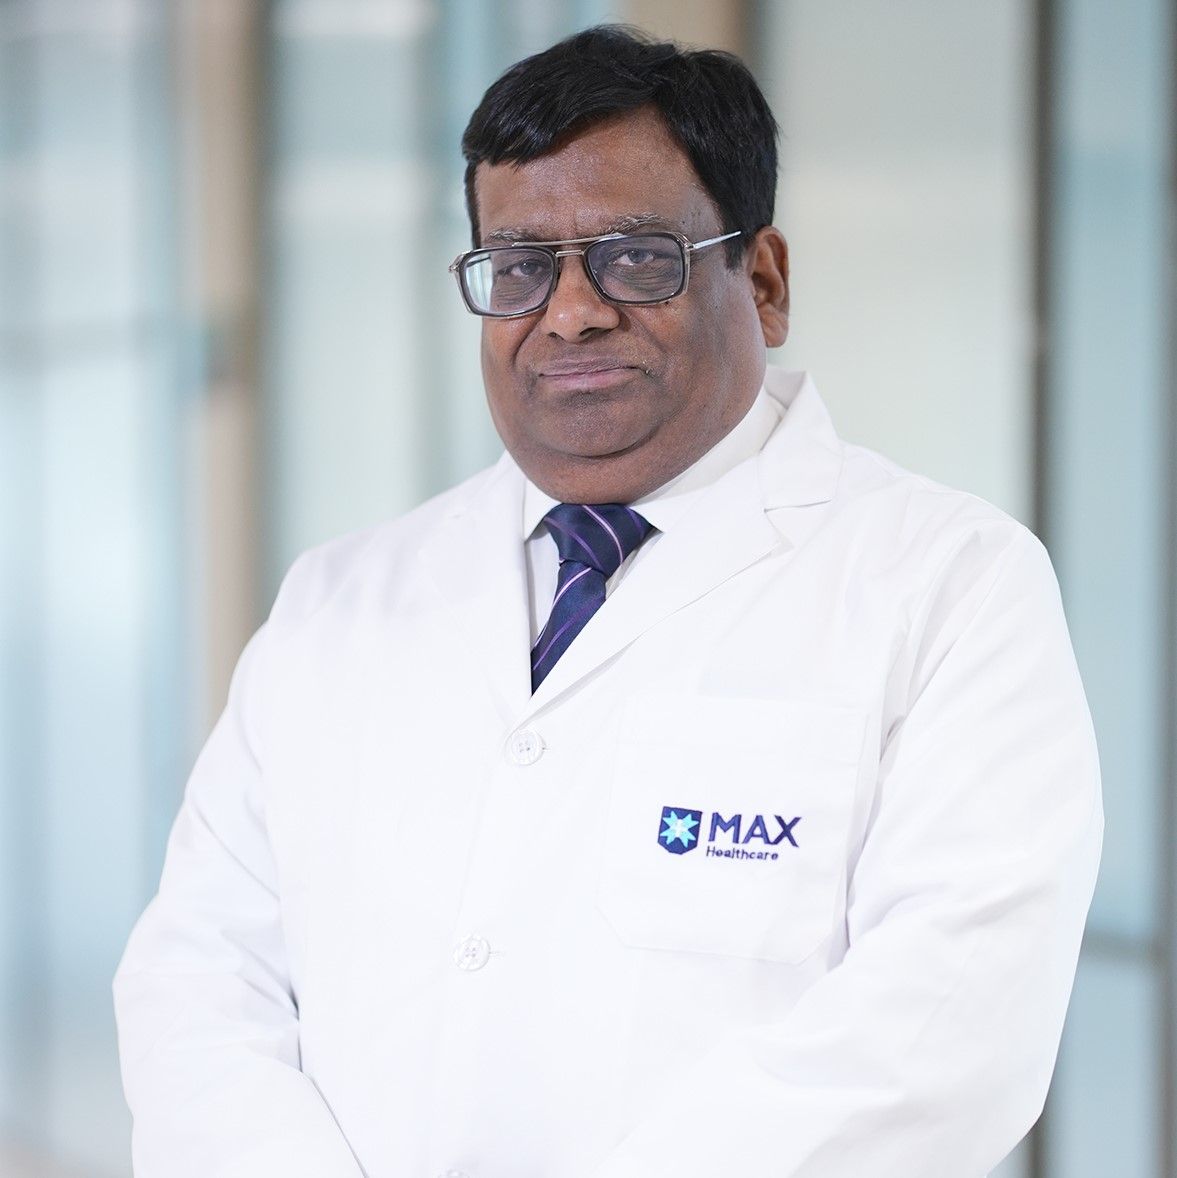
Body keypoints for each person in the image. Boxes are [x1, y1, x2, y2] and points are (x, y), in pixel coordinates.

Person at [114, 24, 1102, 1178]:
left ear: (764, 281)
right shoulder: (337, 601)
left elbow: (944, 1031)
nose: (569, 312)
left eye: (636, 258)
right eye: (518, 267)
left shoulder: (951, 586)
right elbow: (201, 976)